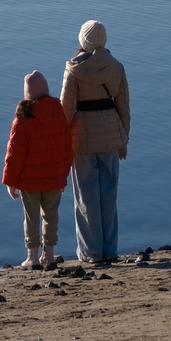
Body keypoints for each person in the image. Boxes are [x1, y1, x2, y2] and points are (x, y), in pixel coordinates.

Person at [60, 19, 129, 264]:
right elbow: (123, 106)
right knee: (109, 196)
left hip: (82, 140)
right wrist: (124, 139)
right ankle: (110, 250)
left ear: (83, 41)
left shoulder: (73, 70)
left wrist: (61, 145)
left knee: (85, 197)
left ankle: (91, 253)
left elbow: (66, 111)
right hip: (111, 136)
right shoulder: (117, 67)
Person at [1, 69, 74, 270]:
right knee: (51, 216)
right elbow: (67, 145)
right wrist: (63, 176)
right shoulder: (57, 112)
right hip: (53, 179)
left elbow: (14, 154)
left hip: (28, 182)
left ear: (27, 94)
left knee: (31, 218)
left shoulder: (23, 118)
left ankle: (31, 256)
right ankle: (49, 255)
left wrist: (10, 182)